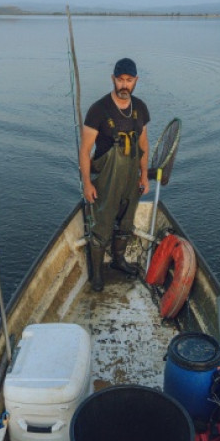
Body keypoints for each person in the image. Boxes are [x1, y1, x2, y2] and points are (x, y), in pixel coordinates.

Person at [79, 57, 150, 292]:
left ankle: (119, 261)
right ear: (113, 79)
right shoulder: (98, 110)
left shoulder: (140, 108)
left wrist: (143, 176)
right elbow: (85, 150)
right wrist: (87, 183)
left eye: (129, 81)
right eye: (120, 80)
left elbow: (143, 144)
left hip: (131, 178)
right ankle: (97, 274)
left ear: (136, 81)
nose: (124, 85)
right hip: (107, 179)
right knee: (102, 224)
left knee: (126, 222)